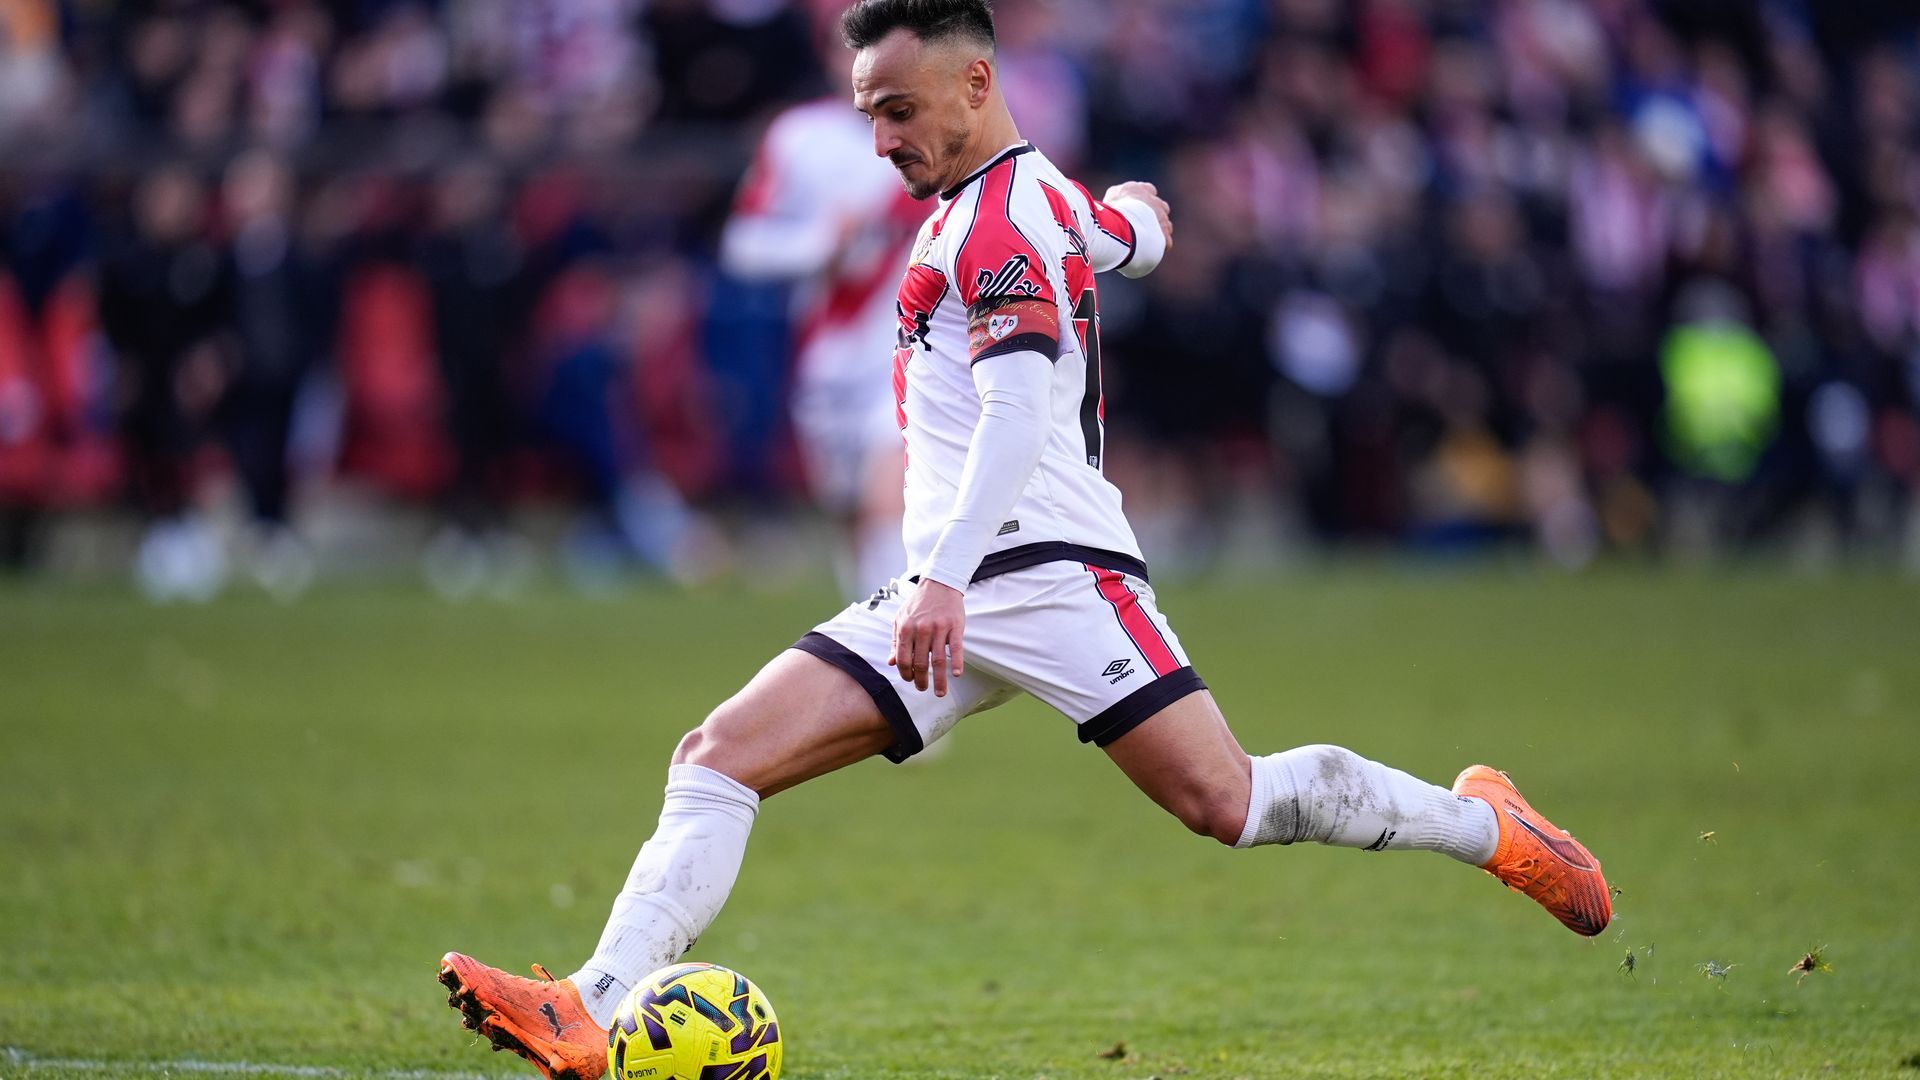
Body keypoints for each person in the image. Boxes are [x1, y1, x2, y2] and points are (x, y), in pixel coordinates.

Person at [436, 4, 1612, 1077]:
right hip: (955, 582)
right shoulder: (1029, 198)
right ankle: (588, 1006)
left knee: (1231, 802)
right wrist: (1138, 225)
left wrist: (944, 578)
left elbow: (1013, 406)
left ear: (976, 83)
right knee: (718, 755)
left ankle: (1488, 829)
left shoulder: (995, 220)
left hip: (1049, 576)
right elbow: (1122, 232)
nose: (883, 140)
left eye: (901, 111)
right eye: (870, 114)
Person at [719, 18, 920, 597]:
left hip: (916, 346)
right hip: (829, 354)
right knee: (847, 511)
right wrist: (820, 244)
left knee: (893, 497)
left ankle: (902, 631)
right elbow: (742, 244)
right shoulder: (799, 137)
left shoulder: (948, 134)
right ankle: (873, 626)